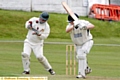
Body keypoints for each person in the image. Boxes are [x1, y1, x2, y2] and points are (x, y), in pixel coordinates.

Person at [66, 13, 94, 79]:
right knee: (79, 57)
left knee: (81, 54)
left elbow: (92, 26)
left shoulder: (83, 22)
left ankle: (81, 74)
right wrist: (74, 26)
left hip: (87, 41)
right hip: (78, 44)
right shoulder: (70, 25)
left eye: (71, 21)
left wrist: (85, 27)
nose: (70, 23)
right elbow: (67, 30)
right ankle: (86, 68)